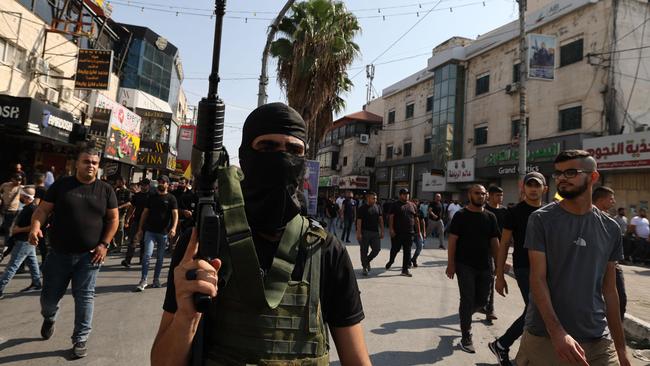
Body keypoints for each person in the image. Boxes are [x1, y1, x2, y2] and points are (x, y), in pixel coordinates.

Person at [150, 102, 370, 365]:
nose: (281, 157)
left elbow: (356, 359)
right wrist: (186, 315)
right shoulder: (203, 243)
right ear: (245, 156)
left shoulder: (326, 250)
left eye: (293, 149)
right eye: (267, 147)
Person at [515, 150, 630, 366]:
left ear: (593, 177)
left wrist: (621, 350)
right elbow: (537, 279)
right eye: (558, 173)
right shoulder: (541, 220)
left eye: (570, 172)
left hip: (598, 338)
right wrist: (558, 333)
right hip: (546, 338)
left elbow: (609, 290)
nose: (561, 179)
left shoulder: (611, 228)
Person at [29, 147, 118, 359]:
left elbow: (113, 219)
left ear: (98, 166)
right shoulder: (61, 185)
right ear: (76, 164)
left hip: (90, 256)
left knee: (85, 297)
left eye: (94, 163)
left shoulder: (105, 190)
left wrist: (104, 244)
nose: (90, 166)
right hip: (58, 254)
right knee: (49, 300)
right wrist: (35, 226)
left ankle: (80, 338)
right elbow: (42, 210)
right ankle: (50, 317)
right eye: (86, 161)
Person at [490, 172, 547, 365]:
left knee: (537, 311)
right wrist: (499, 275)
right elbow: (504, 243)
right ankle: (503, 345)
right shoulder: (514, 213)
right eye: (529, 185)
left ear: (544, 189)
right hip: (524, 267)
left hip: (546, 269)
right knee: (536, 309)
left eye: (537, 185)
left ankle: (513, 349)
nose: (533, 189)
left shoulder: (550, 213)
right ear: (523, 188)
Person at [446, 184, 500, 353]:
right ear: (469, 195)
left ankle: (465, 315)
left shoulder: (490, 217)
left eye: (483, 194)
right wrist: (451, 264)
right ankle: (466, 335)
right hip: (464, 265)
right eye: (477, 193)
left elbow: (494, 242)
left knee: (483, 301)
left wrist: (499, 264)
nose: (481, 196)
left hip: (485, 265)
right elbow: (453, 240)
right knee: (467, 299)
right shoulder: (460, 216)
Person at [134, 175, 178, 291]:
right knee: (147, 256)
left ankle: (156, 279)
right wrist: (140, 229)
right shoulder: (151, 197)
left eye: (163, 182)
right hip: (150, 232)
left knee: (159, 258)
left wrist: (173, 228)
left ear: (167, 184)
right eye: (159, 181)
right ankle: (143, 280)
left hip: (163, 233)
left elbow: (175, 215)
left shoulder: (171, 198)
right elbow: (144, 213)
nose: (161, 183)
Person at [593, 186, 627, 322]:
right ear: (601, 200)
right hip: (593, 266)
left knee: (620, 300)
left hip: (612, 266)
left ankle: (614, 333)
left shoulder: (610, 222)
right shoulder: (585, 218)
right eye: (611, 199)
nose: (613, 202)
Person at [0, 187, 41, 298]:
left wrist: (18, 230)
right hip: (25, 240)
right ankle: (37, 283)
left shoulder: (33, 209)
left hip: (25, 241)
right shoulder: (28, 207)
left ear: (26, 197)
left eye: (21, 196)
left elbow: (35, 226)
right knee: (32, 262)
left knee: (12, 266)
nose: (20, 198)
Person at [484, 185, 508, 325]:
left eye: (501, 195)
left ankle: (489, 309)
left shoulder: (504, 211)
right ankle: (485, 305)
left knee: (492, 277)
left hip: (500, 248)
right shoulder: (484, 210)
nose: (500, 197)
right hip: (485, 248)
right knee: (487, 278)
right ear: (490, 196)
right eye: (497, 195)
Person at [386, 188, 421, 277]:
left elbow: (416, 218)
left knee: (407, 251)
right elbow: (391, 217)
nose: (406, 195)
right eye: (404, 194)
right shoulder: (395, 205)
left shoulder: (412, 205)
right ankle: (391, 260)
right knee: (395, 249)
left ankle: (404, 270)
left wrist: (419, 231)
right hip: (397, 233)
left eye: (408, 194)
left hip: (409, 233)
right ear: (400, 195)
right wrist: (391, 229)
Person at [122, 178, 151, 268]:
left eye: (144, 185)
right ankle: (127, 260)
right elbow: (132, 208)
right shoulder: (136, 196)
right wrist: (127, 218)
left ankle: (142, 260)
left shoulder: (151, 196)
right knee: (133, 240)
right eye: (141, 185)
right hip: (136, 221)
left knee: (144, 242)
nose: (142, 186)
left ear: (148, 186)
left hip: (148, 222)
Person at [356, 192, 384, 276]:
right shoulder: (362, 208)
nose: (375, 200)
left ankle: (367, 261)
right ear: (368, 198)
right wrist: (359, 233)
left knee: (377, 249)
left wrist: (382, 231)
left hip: (375, 232)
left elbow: (381, 220)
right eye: (373, 198)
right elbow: (359, 221)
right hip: (365, 232)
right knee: (364, 250)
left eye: (376, 198)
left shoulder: (378, 207)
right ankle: (364, 267)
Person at [113, 177, 132, 253]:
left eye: (118, 182)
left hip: (122, 213)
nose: (116, 183)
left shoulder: (128, 191)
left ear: (122, 182)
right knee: (113, 228)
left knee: (120, 230)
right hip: (115, 212)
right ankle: (113, 244)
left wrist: (120, 207)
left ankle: (119, 247)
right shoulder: (117, 191)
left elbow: (129, 203)